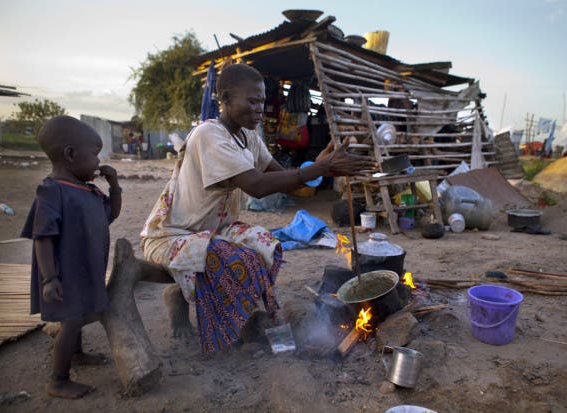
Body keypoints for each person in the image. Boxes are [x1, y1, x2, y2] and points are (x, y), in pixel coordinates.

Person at [140, 63, 375, 354]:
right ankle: (221, 326)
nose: (260, 109)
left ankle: (240, 319)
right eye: (252, 101)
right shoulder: (208, 135)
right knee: (229, 258)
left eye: (262, 101)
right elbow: (257, 185)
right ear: (225, 99)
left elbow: (284, 180)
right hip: (174, 234)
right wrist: (319, 167)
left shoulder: (248, 136)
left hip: (214, 231)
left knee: (266, 245)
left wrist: (320, 168)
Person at [21, 116, 122, 398]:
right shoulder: (52, 190)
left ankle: (77, 354)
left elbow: (111, 215)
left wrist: (114, 186)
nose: (98, 160)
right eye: (95, 154)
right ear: (70, 154)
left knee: (77, 316)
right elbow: (43, 236)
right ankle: (58, 380)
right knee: (71, 320)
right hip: (65, 273)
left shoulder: (87, 189)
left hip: (85, 268)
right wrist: (50, 277)